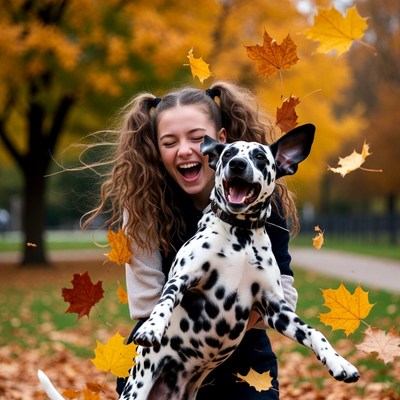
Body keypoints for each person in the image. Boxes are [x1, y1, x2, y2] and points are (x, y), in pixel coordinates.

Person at [83, 81, 299, 399]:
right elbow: (147, 304)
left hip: (242, 355)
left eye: (198, 138)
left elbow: (283, 296)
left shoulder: (264, 199)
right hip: (164, 354)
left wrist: (226, 327)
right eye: (169, 142)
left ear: (221, 141)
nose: (185, 150)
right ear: (157, 150)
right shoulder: (143, 207)